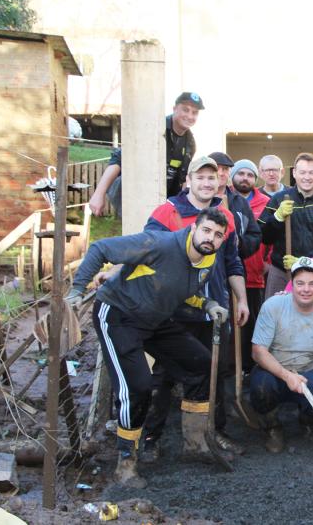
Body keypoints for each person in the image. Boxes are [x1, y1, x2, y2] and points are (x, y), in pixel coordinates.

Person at [66, 207, 229, 487]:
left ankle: (195, 442)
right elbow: (100, 248)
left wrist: (208, 304)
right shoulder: (159, 243)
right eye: (206, 230)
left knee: (200, 363)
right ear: (193, 229)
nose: (210, 238)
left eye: (218, 235)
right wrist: (76, 290)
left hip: (155, 318)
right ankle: (126, 463)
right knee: (137, 386)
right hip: (118, 314)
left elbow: (184, 292)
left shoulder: (208, 259)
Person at [136, 156, 248, 459]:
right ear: (188, 180)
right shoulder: (167, 213)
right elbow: (150, 256)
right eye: (201, 177)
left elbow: (232, 261)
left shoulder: (226, 216)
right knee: (165, 374)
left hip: (215, 311)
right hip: (174, 311)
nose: (207, 183)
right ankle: (151, 437)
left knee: (215, 370)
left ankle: (212, 434)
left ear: (219, 182)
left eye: (213, 178)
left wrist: (242, 299)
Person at [250, 257, 313, 453]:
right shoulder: (273, 306)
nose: (306, 289)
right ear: (292, 284)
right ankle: (272, 426)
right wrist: (287, 375)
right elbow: (258, 351)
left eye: (312, 283)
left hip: (310, 369)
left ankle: (308, 418)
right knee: (261, 388)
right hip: (275, 369)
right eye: (300, 283)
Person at [89, 92, 203, 216]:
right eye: (185, 110)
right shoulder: (153, 128)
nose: (190, 116)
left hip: (163, 201)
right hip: (135, 196)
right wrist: (98, 194)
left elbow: (182, 179)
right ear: (174, 109)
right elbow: (119, 159)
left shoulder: (190, 143)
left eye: (195, 112)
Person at [258, 152, 313, 298]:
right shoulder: (278, 200)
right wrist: (277, 217)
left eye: (312, 172)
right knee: (275, 313)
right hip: (282, 272)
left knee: (312, 316)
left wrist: (304, 261)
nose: (307, 177)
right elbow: (263, 237)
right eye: (302, 172)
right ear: (294, 173)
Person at [231, 158, 272, 371]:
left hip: (255, 275)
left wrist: (267, 261)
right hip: (229, 275)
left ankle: (247, 369)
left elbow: (271, 235)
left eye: (249, 175)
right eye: (241, 173)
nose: (245, 178)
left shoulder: (265, 202)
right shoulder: (225, 200)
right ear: (233, 176)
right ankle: (231, 368)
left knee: (251, 325)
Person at [209, 151, 262, 260]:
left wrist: (238, 243)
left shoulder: (240, 202)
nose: (220, 173)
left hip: (232, 265)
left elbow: (255, 236)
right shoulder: (196, 199)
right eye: (216, 168)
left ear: (229, 173)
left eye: (225, 169)